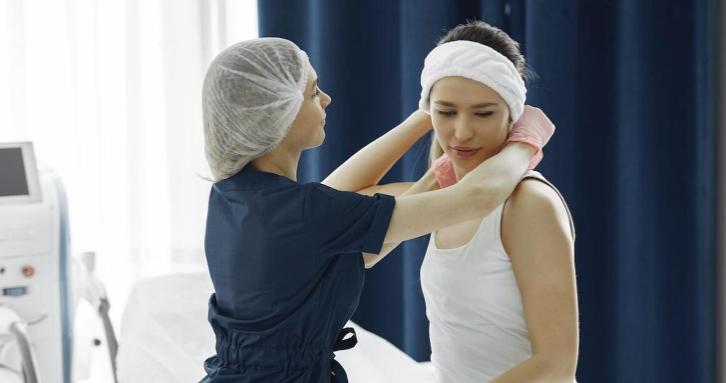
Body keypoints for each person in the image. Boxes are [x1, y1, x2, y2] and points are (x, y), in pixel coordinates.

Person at [200, 36, 554, 382]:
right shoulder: (307, 212)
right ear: (280, 112)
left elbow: (343, 210)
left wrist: (429, 116)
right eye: (313, 93)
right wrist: (528, 138)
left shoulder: (235, 196)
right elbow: (479, 196)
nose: (326, 99)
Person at [366, 21, 578, 382]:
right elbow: (346, 230)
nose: (462, 132)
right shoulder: (443, 199)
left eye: (483, 113)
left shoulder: (528, 204)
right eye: (447, 112)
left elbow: (555, 365)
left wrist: (445, 107)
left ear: (513, 114)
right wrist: (425, 117)